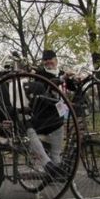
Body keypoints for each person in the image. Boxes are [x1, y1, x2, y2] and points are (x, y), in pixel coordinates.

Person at [32, 49, 72, 180]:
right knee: (55, 144)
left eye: (51, 60)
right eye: (46, 60)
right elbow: (46, 87)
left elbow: (71, 86)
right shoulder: (40, 74)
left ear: (56, 60)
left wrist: (77, 80)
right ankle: (53, 167)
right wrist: (61, 79)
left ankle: (56, 169)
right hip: (45, 115)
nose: (49, 62)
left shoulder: (61, 73)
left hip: (60, 113)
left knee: (57, 148)